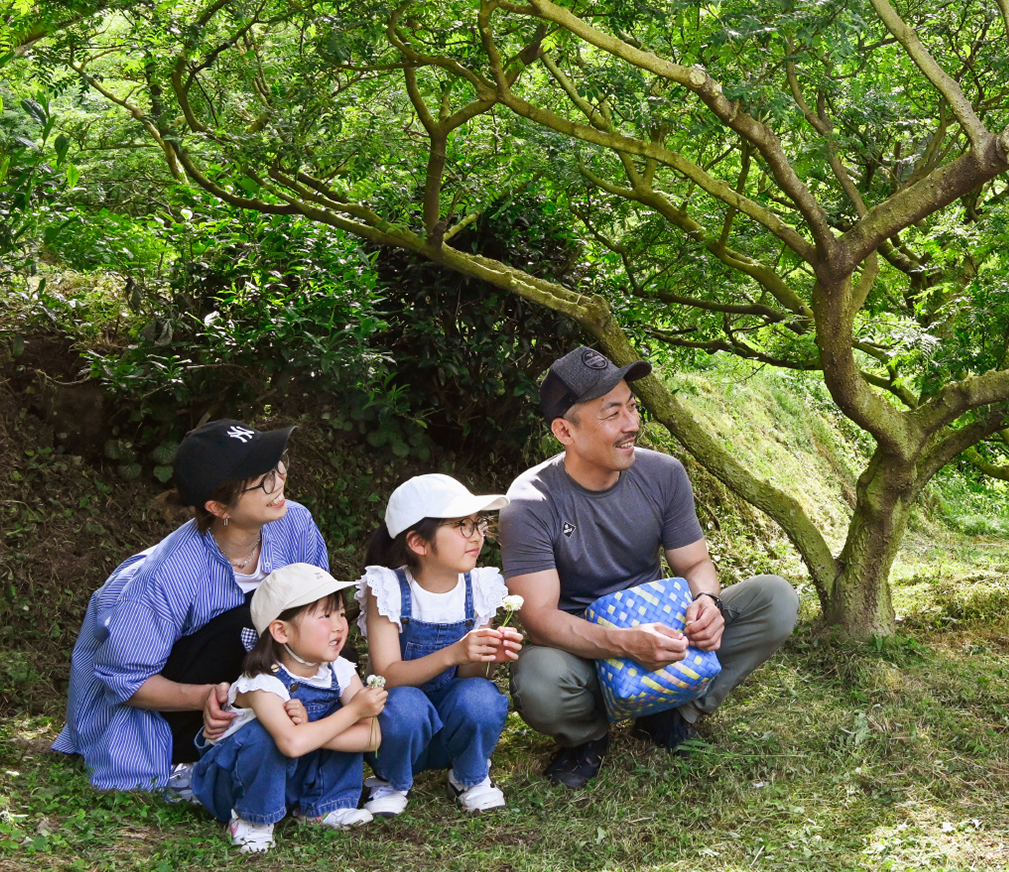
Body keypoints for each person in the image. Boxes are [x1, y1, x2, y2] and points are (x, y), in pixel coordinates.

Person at [501, 346, 801, 790]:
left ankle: (671, 713)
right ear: (565, 431)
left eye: (633, 406)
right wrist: (622, 643)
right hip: (584, 647)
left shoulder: (664, 473)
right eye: (612, 413)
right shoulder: (530, 501)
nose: (632, 425)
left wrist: (706, 601)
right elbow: (539, 620)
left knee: (775, 598)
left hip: (664, 628)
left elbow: (695, 562)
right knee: (540, 680)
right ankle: (587, 735)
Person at [55, 420, 329, 792]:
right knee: (246, 618)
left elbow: (320, 612)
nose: (278, 482)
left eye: (277, 465)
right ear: (218, 507)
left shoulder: (295, 523)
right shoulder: (168, 572)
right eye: (262, 480)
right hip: (180, 704)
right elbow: (125, 680)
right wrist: (208, 698)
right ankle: (193, 758)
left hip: (258, 688)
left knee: (295, 615)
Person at [355, 473, 522, 816]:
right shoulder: (387, 588)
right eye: (462, 525)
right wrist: (454, 652)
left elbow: (469, 678)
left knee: (481, 696)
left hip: (448, 727)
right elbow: (386, 676)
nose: (476, 536)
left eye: (479, 524)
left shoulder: (481, 586)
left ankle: (468, 775)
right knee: (403, 704)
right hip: (399, 728)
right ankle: (390, 779)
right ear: (418, 543)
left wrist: (486, 654)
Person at [190, 563, 387, 853]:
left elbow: (372, 737)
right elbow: (292, 744)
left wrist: (316, 729)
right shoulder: (261, 683)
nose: (339, 626)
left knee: (335, 720)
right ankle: (251, 819)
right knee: (264, 735)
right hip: (233, 786)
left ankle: (324, 806)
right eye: (325, 616)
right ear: (281, 631)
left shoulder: (339, 670)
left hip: (289, 781)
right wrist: (352, 712)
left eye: (341, 614)